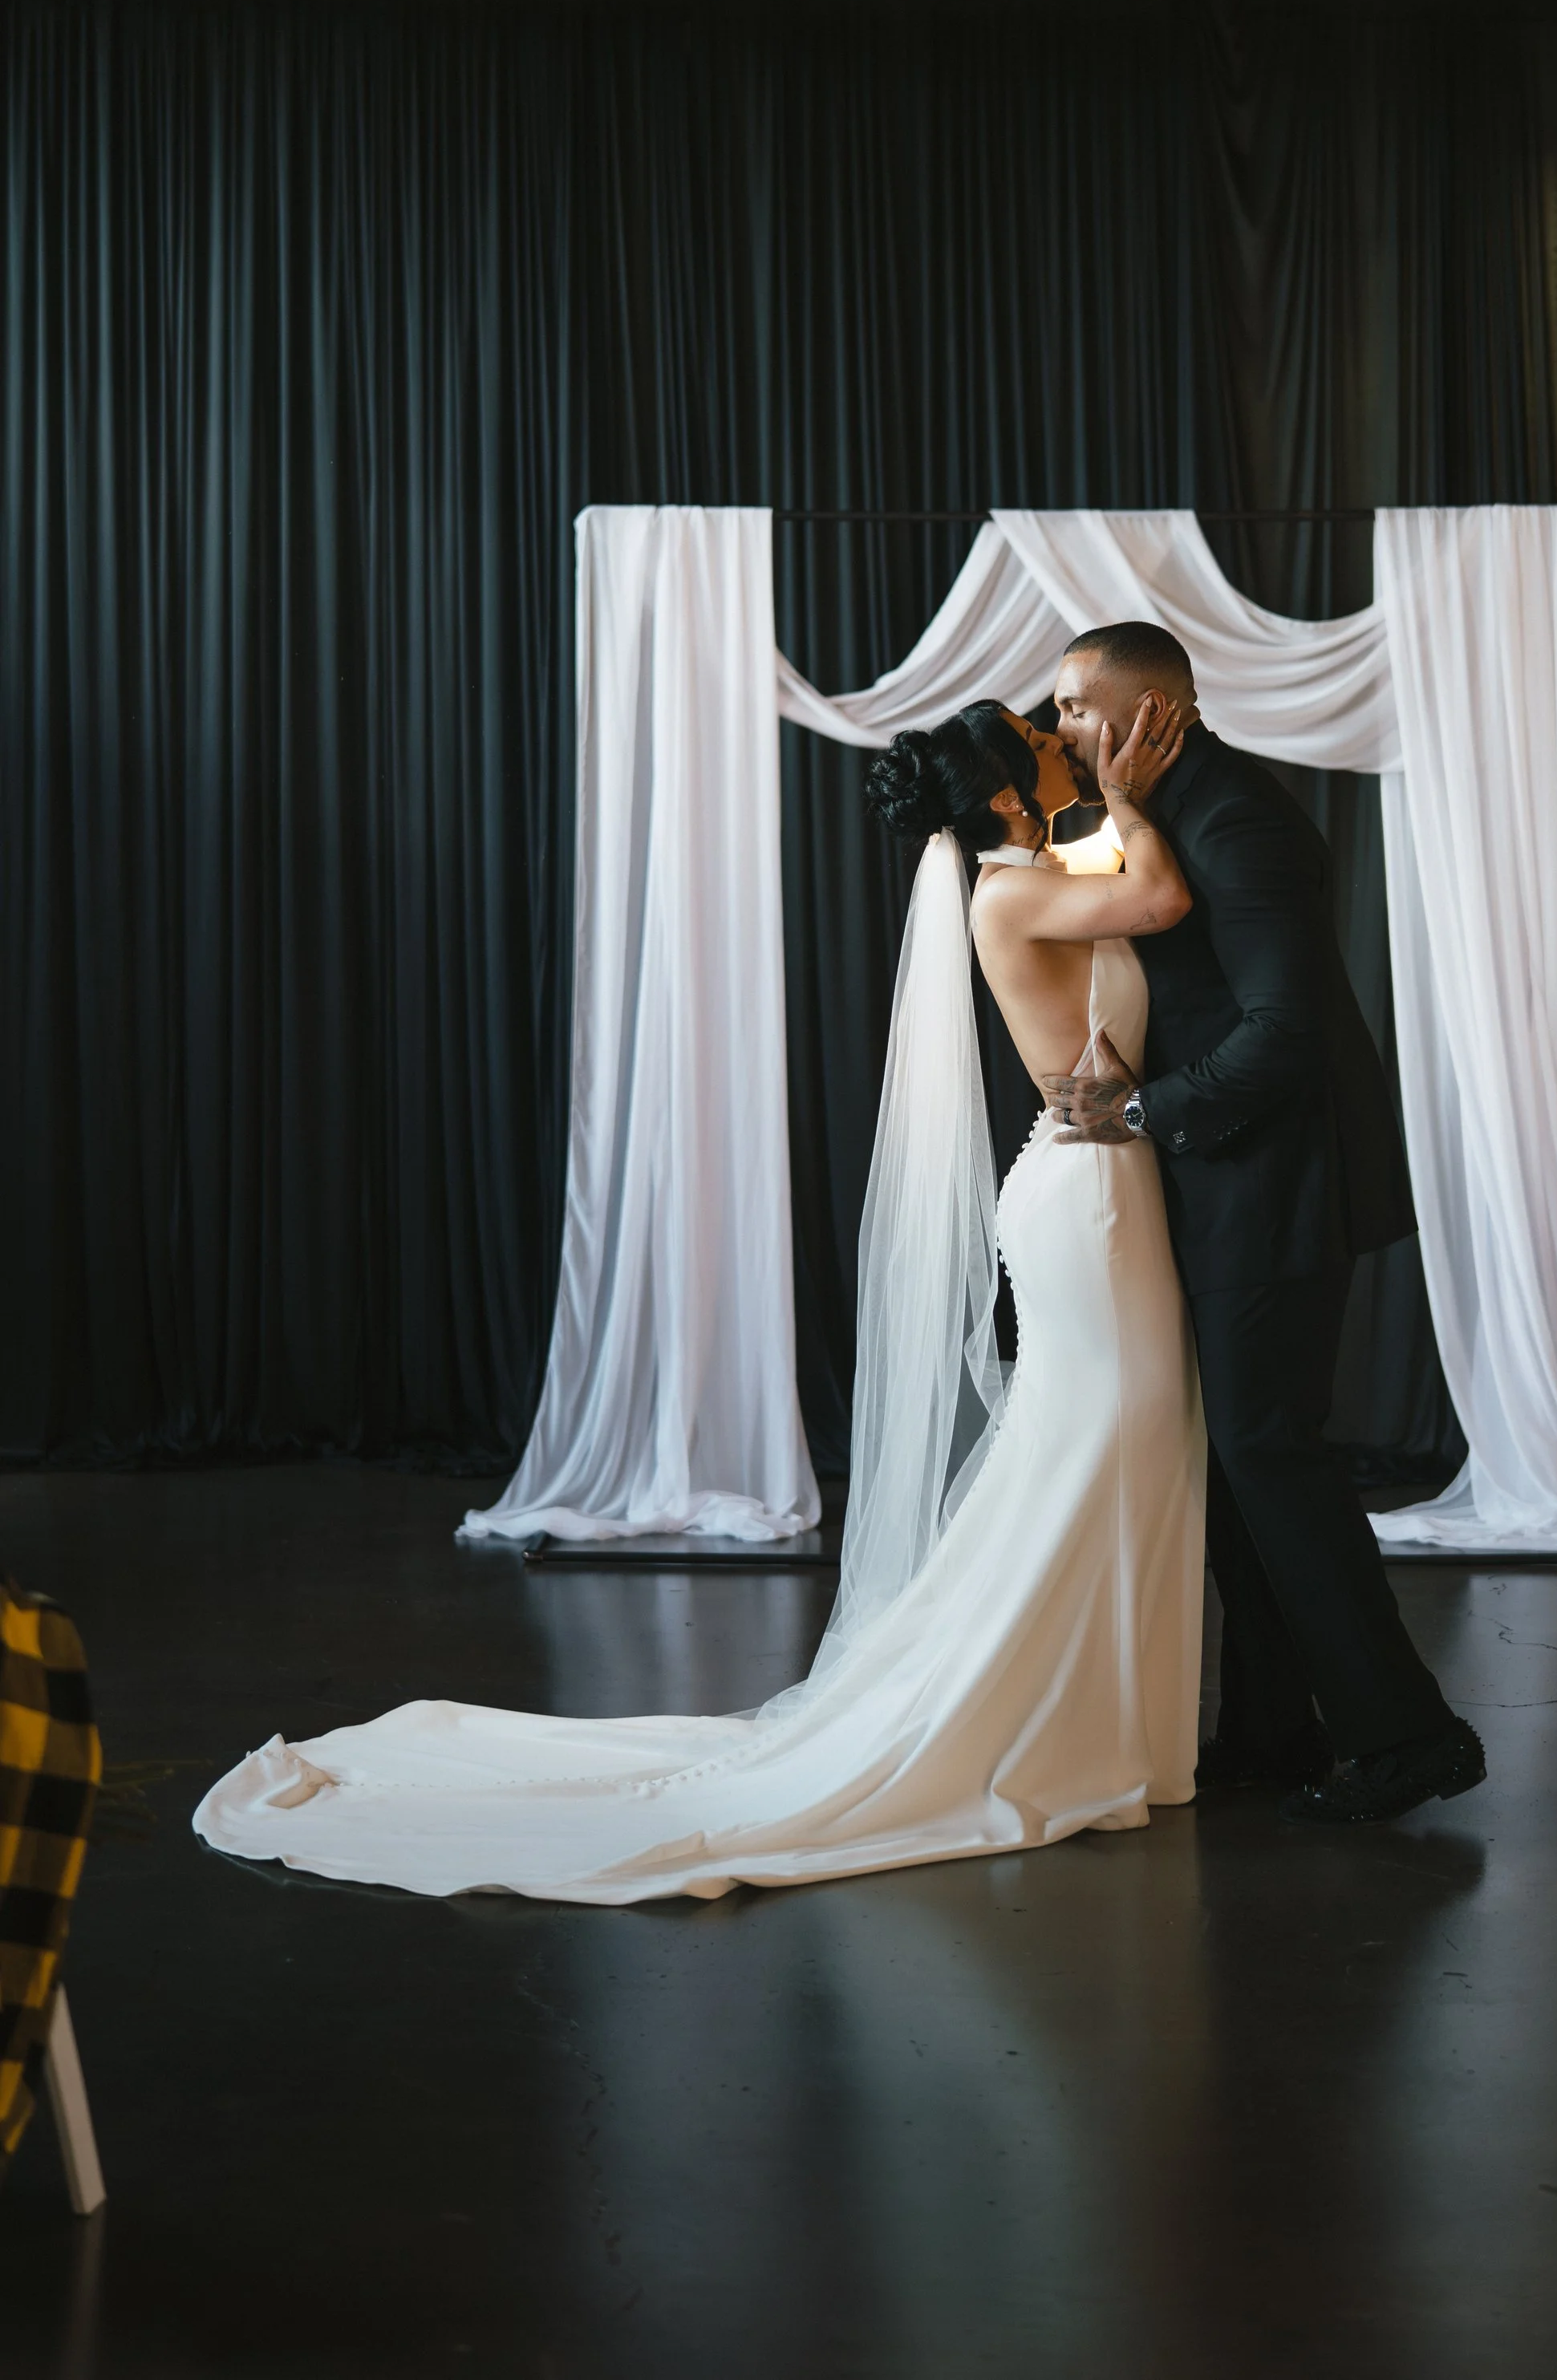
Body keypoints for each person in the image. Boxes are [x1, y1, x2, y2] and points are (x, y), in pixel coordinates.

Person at [193, 697, 1210, 1904]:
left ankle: (1102, 1718)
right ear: (1002, 795)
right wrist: (1130, 795)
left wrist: (1117, 805)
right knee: (1104, 1435)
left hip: (1110, 1184)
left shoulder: (1040, 872)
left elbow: (1129, 886)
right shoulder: (1007, 894)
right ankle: (1031, 1715)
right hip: (1085, 1199)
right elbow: (1159, 898)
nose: (1059, 740)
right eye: (1040, 742)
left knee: (1119, 1440)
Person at [1046, 622, 1484, 1828]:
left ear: (1155, 711)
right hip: (1226, 1185)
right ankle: (1270, 1729)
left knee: (1272, 1457)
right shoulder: (1162, 810)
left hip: (1277, 1186)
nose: (1062, 727)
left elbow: (1282, 1031)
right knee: (1241, 1467)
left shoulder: (1235, 816)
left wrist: (1142, 1109)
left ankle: (1411, 1739)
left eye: (1078, 706)